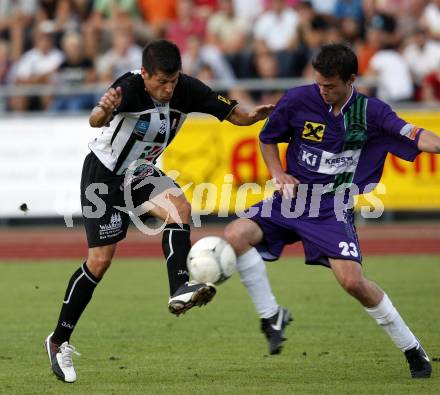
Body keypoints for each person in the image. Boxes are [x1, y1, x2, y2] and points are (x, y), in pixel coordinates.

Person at [44, 39, 274, 383]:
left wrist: (261, 114)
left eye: (173, 81)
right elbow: (96, 120)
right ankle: (58, 340)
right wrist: (104, 110)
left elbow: (238, 115)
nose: (168, 90)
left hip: (140, 173)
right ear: (145, 73)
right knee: (100, 262)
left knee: (180, 206)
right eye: (160, 82)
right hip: (104, 177)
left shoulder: (186, 89)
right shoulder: (128, 87)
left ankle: (179, 286)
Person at [224, 43, 438, 378]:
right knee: (234, 235)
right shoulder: (297, 100)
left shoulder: (371, 112)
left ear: (351, 79)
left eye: (330, 86)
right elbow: (267, 138)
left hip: (331, 208)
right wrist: (278, 173)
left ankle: (412, 349)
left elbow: (414, 134)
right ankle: (271, 315)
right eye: (319, 83)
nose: (322, 91)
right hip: (290, 201)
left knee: (353, 282)